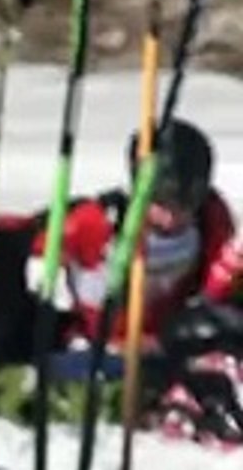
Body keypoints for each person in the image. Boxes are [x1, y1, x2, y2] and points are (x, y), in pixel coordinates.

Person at [51, 119, 242, 346]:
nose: (172, 218)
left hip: (175, 342)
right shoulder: (98, 222)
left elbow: (218, 289)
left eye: (186, 204)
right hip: (101, 348)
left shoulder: (210, 218)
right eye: (162, 203)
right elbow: (37, 244)